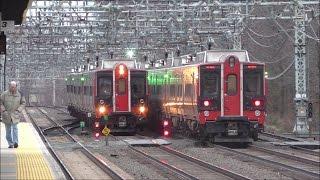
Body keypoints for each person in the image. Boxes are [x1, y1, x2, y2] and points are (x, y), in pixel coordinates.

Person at [0, 81, 26, 148]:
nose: (13, 88)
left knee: (15, 128)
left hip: (15, 114)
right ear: (9, 87)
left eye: (14, 87)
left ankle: (15, 142)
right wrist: (3, 110)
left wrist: (19, 110)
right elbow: (0, 103)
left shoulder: (20, 94)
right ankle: (10, 143)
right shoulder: (4, 94)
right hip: (6, 114)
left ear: (16, 87)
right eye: (11, 87)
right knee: (8, 130)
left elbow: (23, 103)